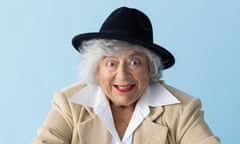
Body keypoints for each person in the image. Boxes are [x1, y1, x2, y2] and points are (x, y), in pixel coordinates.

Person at [31, 7, 220, 144]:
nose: (122, 75)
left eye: (135, 62)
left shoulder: (182, 109)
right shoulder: (69, 104)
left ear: (150, 68)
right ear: (97, 68)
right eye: (111, 63)